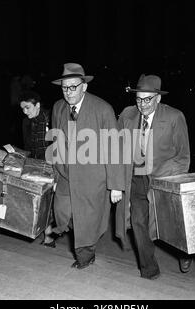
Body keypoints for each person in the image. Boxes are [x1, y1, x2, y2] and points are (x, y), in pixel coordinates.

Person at [115, 74, 192, 279]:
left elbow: (183, 157)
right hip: (136, 178)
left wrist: (167, 178)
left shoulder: (175, 117)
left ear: (158, 98)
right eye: (139, 99)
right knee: (139, 222)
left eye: (147, 99)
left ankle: (183, 252)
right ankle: (148, 268)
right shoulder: (127, 115)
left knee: (168, 225)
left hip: (163, 180)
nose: (142, 104)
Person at [49, 63, 124, 269]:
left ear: (84, 87)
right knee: (63, 213)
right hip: (65, 175)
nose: (69, 92)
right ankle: (84, 242)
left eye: (73, 87)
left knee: (88, 220)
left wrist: (116, 184)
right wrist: (56, 176)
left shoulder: (103, 109)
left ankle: (85, 255)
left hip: (93, 178)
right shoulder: (57, 108)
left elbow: (114, 148)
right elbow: (56, 144)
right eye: (65, 87)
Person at [19, 90, 55, 247]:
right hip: (36, 164)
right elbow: (28, 147)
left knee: (54, 200)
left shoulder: (52, 118)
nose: (25, 112)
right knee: (41, 199)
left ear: (37, 105)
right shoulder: (26, 123)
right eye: (22, 108)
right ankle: (48, 234)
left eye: (27, 107)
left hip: (53, 164)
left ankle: (56, 231)